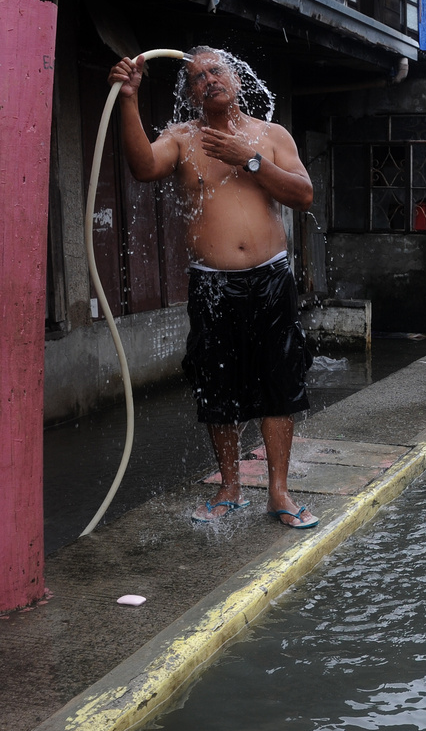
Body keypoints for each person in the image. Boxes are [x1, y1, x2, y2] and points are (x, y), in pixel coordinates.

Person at [108, 48, 319, 528]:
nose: (208, 80)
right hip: (212, 284)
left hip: (271, 278)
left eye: (215, 70)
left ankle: (279, 492)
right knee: (217, 384)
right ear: (189, 94)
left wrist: (252, 161)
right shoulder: (182, 138)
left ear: (237, 78)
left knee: (280, 383)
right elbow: (143, 167)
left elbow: (303, 195)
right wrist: (129, 98)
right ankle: (230, 487)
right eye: (197, 77)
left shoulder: (271, 136)